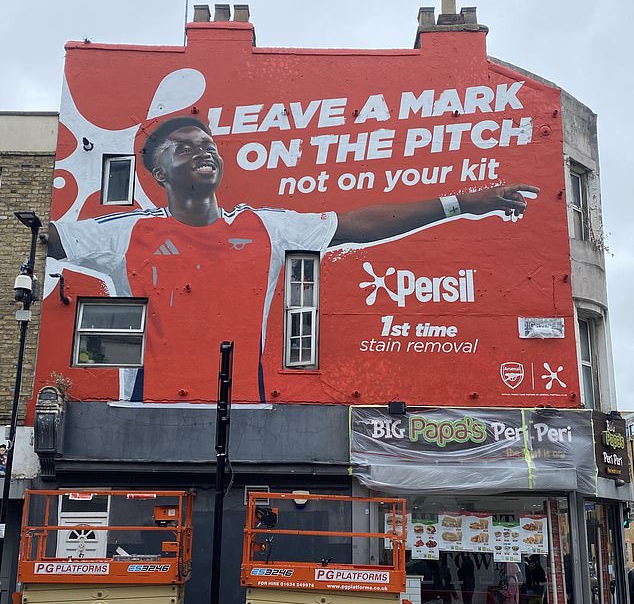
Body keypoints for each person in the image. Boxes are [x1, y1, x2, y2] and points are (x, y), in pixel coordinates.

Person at [47, 116, 538, 401]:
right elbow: (40, 239)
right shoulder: (128, 233)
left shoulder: (265, 226)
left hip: (242, 415)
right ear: (158, 172)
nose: (204, 150)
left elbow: (358, 226)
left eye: (209, 144)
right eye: (186, 148)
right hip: (144, 418)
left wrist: (465, 203)